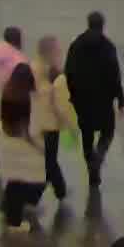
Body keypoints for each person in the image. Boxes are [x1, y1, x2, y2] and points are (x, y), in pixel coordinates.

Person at [65, 10, 124, 193]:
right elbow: (115, 75)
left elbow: (69, 72)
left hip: (82, 100)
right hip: (103, 100)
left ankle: (92, 166)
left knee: (87, 135)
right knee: (107, 132)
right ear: (102, 25)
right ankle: (98, 158)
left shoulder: (76, 45)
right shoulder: (108, 47)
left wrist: (73, 95)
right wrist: (120, 99)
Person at [0, 64, 47, 230]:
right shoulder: (33, 101)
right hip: (26, 154)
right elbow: (32, 134)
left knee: (15, 182)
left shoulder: (4, 97)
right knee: (40, 175)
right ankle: (17, 218)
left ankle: (12, 210)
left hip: (5, 151)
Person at [34, 35, 78, 205]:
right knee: (49, 163)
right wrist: (72, 128)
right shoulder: (56, 77)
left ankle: (59, 191)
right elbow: (61, 107)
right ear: (50, 53)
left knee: (46, 162)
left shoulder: (32, 69)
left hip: (34, 125)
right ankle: (55, 194)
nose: (60, 54)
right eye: (57, 51)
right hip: (49, 127)